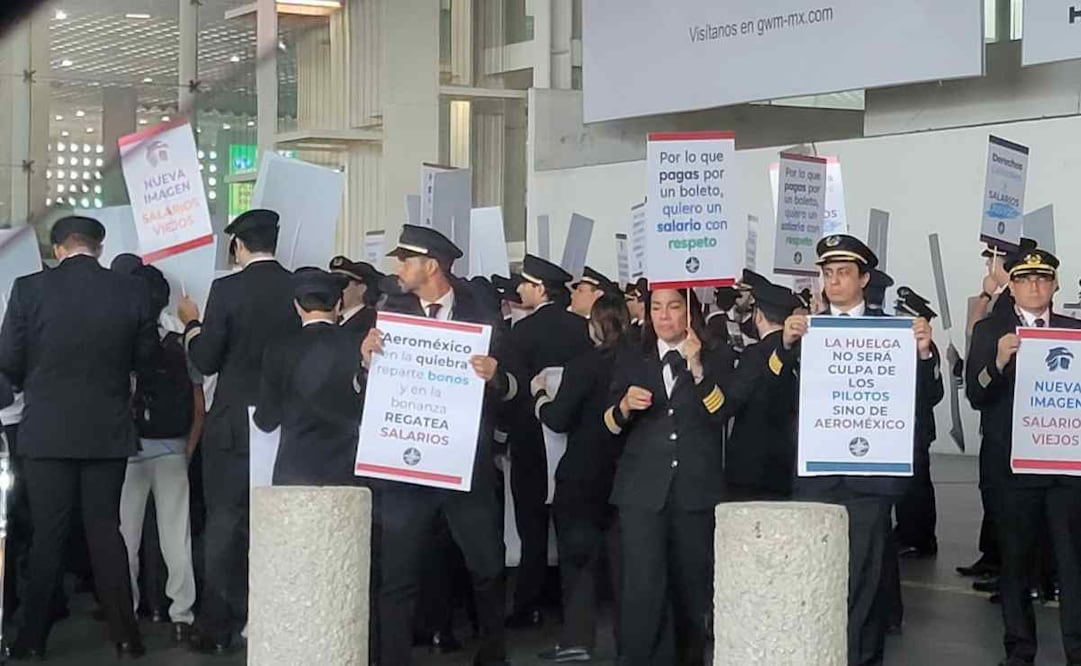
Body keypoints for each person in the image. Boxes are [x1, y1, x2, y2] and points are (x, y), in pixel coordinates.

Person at [781, 234, 943, 666]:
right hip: (817, 473)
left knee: (865, 581)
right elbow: (771, 397)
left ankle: (863, 659)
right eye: (828, 273)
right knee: (817, 576)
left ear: (863, 279)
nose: (834, 281)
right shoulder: (804, 329)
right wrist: (782, 347)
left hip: (871, 476)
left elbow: (928, 396)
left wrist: (925, 354)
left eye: (843, 273)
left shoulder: (895, 330)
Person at [0, 215, 157, 659]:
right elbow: (145, 360)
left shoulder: (29, 290)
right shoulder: (131, 291)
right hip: (107, 430)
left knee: (48, 534)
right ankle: (128, 637)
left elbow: (8, 360)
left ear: (56, 249)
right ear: (100, 248)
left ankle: (31, 639)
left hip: (46, 432)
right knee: (105, 530)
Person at [362, 224, 516, 666]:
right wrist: (365, 363)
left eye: (404, 260)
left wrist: (496, 378)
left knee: (486, 566)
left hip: (464, 464)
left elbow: (513, 390)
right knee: (398, 574)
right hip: (407, 468)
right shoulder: (390, 311)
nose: (397, 268)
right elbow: (366, 390)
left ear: (430, 266)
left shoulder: (481, 313)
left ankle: (493, 653)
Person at [178, 208, 299, 654]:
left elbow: (208, 358)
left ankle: (216, 626)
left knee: (225, 525)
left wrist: (191, 324)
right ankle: (272, 616)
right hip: (284, 421)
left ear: (238, 246)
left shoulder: (227, 288)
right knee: (278, 524)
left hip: (231, 425)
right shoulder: (296, 287)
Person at [603, 288, 743, 666]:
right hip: (641, 492)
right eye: (657, 309)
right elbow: (609, 424)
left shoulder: (716, 356)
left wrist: (697, 369)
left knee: (690, 589)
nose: (664, 317)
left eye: (674, 307)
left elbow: (721, 412)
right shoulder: (633, 356)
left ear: (689, 313)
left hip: (695, 490)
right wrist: (624, 406)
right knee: (643, 589)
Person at [966, 245, 1081, 666]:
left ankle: (1077, 648)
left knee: (1072, 565)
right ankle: (1020, 650)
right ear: (1010, 287)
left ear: (1054, 285)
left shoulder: (1075, 331)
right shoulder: (989, 331)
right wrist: (998, 361)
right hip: (1013, 469)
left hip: (1066, 470)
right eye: (1024, 279)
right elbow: (977, 394)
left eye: (1042, 279)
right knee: (1015, 564)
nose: (1034, 286)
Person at [530, 293, 629, 662]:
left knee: (578, 562)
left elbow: (557, 418)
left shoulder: (583, 366)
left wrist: (539, 394)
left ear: (594, 325)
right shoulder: (636, 363)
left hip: (582, 477)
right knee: (625, 566)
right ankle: (628, 639)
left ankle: (577, 638)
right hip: (622, 475)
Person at [506, 254, 591, 628]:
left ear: (540, 289)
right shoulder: (581, 329)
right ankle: (572, 604)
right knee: (572, 524)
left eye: (524, 283)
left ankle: (529, 602)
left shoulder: (521, 333)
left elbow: (511, 391)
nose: (519, 289)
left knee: (532, 525)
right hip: (576, 437)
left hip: (529, 440)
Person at [118, 264, 201, 645]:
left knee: (124, 539)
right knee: (176, 538)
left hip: (127, 451)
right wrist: (188, 445)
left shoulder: (121, 341)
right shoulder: (179, 341)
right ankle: (181, 614)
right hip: (172, 449)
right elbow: (199, 400)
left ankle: (127, 611)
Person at [254, 268, 364, 486]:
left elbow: (266, 420)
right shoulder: (358, 345)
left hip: (294, 468)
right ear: (338, 305)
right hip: (346, 470)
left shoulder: (278, 348)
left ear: (297, 306)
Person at [957, 243, 1014, 581]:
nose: (988, 266)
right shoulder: (1002, 298)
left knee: (1000, 489)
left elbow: (975, 329)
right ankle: (992, 555)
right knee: (991, 487)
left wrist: (984, 293)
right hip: (992, 401)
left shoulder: (1008, 301)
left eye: (993, 260)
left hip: (1004, 412)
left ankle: (1002, 563)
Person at [723, 278, 803, 500]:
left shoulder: (754, 355)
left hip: (752, 467)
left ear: (758, 315)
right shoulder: (803, 353)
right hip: (788, 464)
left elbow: (733, 400)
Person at [893, 287, 941, 559]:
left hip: (917, 428)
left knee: (917, 488)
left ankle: (920, 538)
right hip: (900, 429)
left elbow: (935, 392)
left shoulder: (926, 350)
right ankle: (907, 532)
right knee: (906, 488)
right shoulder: (898, 346)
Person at [329, 256, 382, 337]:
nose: (335, 289)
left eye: (342, 284)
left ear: (362, 289)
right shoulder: (331, 318)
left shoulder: (371, 323)